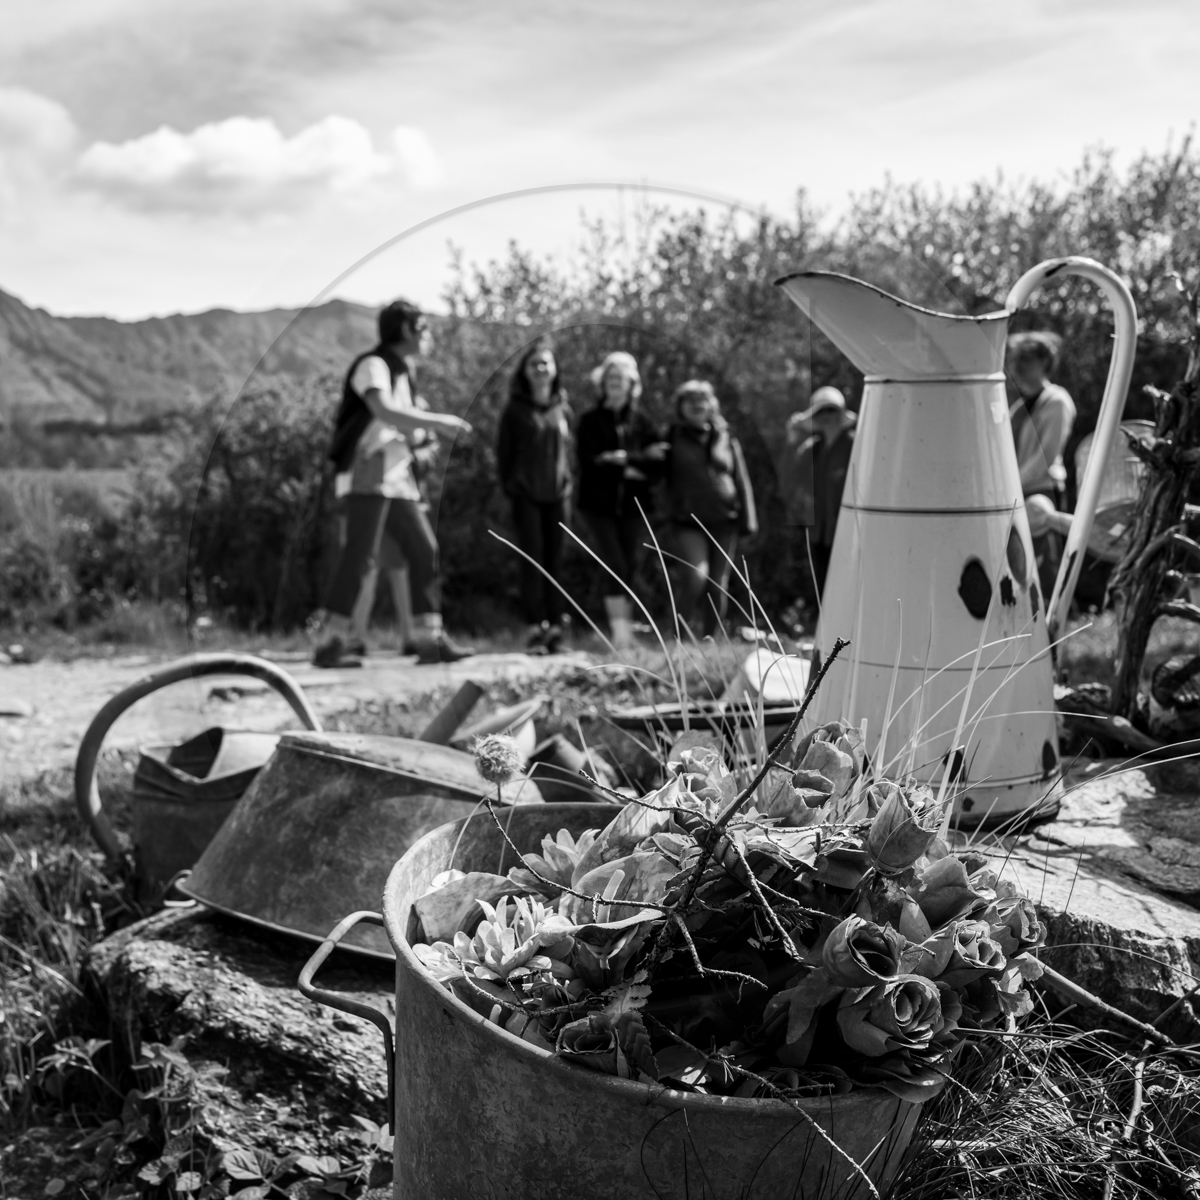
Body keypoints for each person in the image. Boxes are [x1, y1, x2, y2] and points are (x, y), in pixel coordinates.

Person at [313, 298, 474, 667]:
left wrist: (423, 440)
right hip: (370, 470)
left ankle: (428, 638)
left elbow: (402, 424)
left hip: (397, 475)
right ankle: (331, 642)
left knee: (424, 550)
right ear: (406, 330)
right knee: (360, 556)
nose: (429, 335)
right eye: (425, 327)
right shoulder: (374, 365)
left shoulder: (405, 374)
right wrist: (439, 422)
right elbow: (383, 410)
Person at [575, 351, 668, 643]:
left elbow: (659, 464)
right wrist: (631, 467)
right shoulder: (590, 421)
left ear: (632, 383)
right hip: (597, 505)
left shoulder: (643, 422)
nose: (615, 383)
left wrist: (624, 459)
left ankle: (624, 631)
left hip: (633, 505)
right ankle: (621, 634)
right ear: (602, 383)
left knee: (629, 564)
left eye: (621, 378)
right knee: (614, 563)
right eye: (610, 377)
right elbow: (589, 464)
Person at [663, 380, 757, 637]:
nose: (697, 404)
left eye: (702, 399)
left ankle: (710, 640)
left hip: (725, 519)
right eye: (690, 400)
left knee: (718, 585)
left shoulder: (725, 437)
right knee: (696, 576)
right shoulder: (672, 437)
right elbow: (659, 474)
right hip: (687, 520)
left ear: (711, 404)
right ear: (680, 407)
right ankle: (678, 637)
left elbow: (741, 479)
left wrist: (748, 519)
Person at [496, 338, 573, 654]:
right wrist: (512, 488)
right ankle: (534, 630)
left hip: (559, 494)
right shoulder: (515, 409)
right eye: (534, 364)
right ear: (525, 372)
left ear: (555, 370)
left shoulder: (562, 407)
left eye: (546, 363)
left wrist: (568, 482)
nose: (541, 369)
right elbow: (503, 454)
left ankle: (556, 630)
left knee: (556, 560)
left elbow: (569, 451)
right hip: (526, 495)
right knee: (532, 561)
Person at [1007, 331, 1076, 601]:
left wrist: (1010, 487)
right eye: (1014, 360)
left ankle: (1049, 637)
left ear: (1044, 362)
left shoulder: (1056, 401)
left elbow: (1045, 458)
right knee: (1019, 573)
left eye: (1025, 360)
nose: (1017, 367)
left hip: (1042, 496)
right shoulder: (1018, 407)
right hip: (1019, 495)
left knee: (1044, 572)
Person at [788, 386, 856, 597]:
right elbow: (790, 476)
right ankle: (825, 629)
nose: (826, 416)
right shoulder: (812, 448)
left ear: (841, 413)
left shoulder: (855, 443)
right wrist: (792, 438)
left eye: (831, 410)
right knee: (823, 586)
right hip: (819, 529)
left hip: (847, 528)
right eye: (820, 411)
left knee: (847, 586)